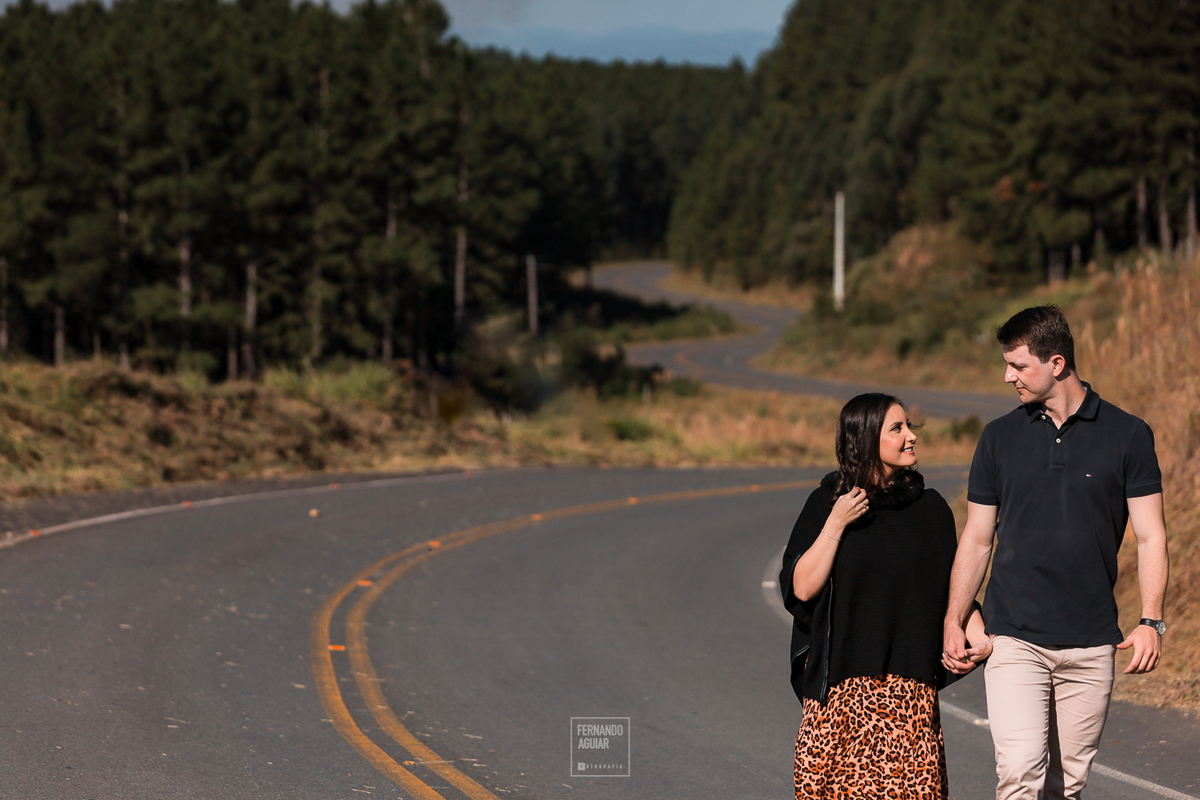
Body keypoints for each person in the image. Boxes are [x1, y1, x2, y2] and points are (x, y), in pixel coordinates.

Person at [942, 305, 1169, 800]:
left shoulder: (1129, 435)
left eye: (1019, 366)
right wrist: (954, 617)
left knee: (1065, 786)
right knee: (1019, 774)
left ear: (1057, 363)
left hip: (1090, 643)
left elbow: (1152, 536)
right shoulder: (999, 437)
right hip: (1014, 638)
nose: (1008, 377)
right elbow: (978, 538)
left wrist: (1151, 621)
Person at [780, 392, 990, 800]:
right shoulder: (827, 503)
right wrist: (837, 523)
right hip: (840, 695)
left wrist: (977, 636)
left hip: (909, 697)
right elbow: (802, 587)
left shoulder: (931, 510)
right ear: (865, 439)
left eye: (909, 427)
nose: (911, 436)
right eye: (897, 428)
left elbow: (951, 588)